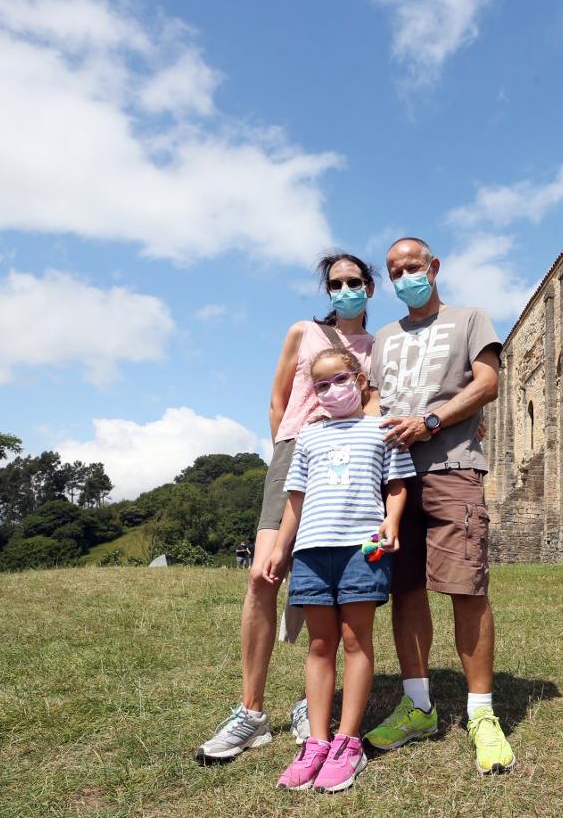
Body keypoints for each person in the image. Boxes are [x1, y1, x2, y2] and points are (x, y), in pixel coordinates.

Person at [195, 252, 379, 765]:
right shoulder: (302, 332)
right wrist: (288, 452)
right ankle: (251, 712)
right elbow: (277, 399)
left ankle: (308, 705)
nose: (345, 289)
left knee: (327, 580)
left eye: (354, 281)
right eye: (336, 283)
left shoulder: (377, 347)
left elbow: (374, 409)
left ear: (369, 288)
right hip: (298, 452)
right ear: (328, 291)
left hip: (347, 458)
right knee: (262, 576)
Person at [363, 237, 515, 773]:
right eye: (395, 270)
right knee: (404, 588)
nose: (406, 275)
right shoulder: (383, 337)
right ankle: (419, 705)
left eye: (413, 266)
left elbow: (489, 382)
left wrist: (430, 420)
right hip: (395, 477)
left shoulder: (471, 318)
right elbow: (374, 399)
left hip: (452, 466)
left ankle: (481, 714)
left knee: (466, 586)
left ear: (433, 267)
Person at [264, 347, 416, 793]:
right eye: (322, 385)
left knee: (355, 639)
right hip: (312, 551)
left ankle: (348, 742)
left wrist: (392, 520)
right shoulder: (308, 438)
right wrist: (280, 546)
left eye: (340, 380)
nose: (332, 391)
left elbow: (397, 485)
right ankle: (317, 741)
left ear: (359, 378)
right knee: (319, 643)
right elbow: (296, 498)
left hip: (360, 549)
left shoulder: (381, 431)